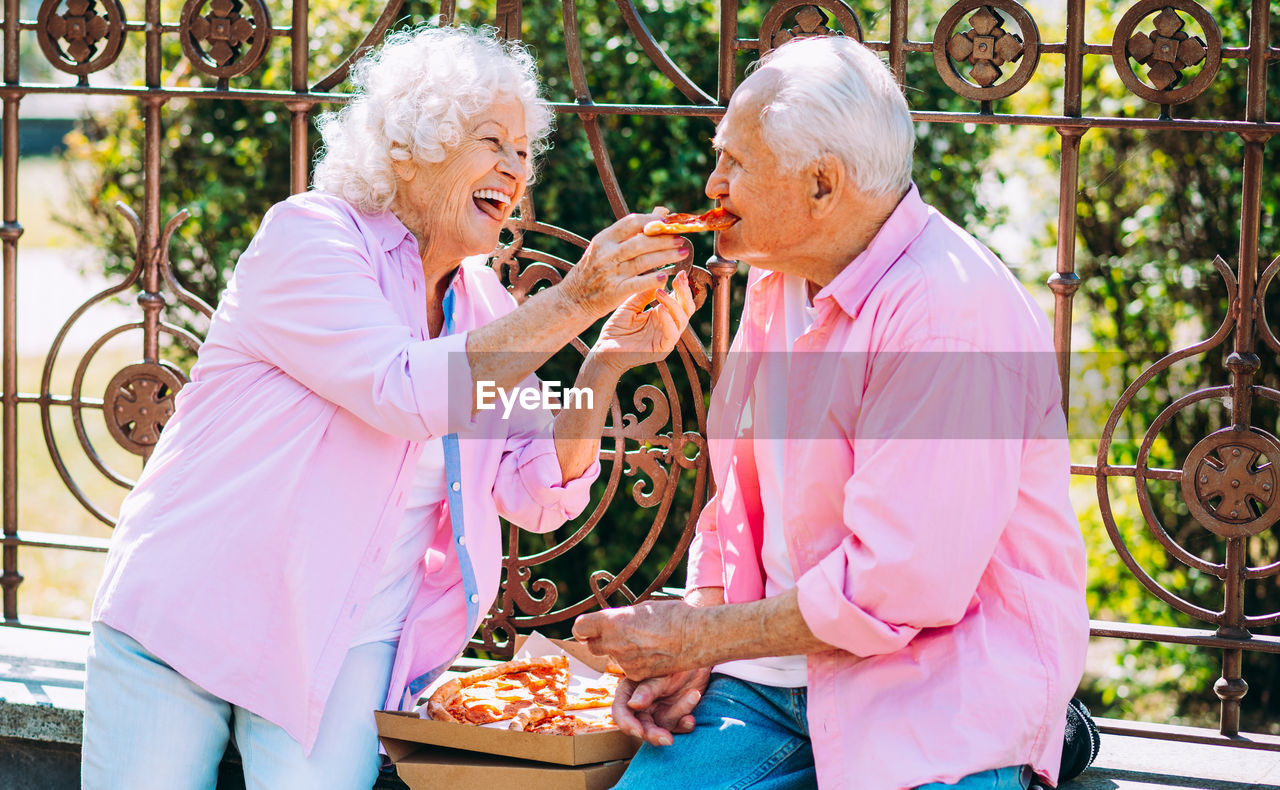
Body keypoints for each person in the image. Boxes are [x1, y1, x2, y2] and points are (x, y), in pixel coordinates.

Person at [80, 24, 695, 790]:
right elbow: (403, 389)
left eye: (522, 149)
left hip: (343, 645)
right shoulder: (308, 238)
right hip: (187, 619)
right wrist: (576, 297)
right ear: (413, 144)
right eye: (489, 139)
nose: (514, 165)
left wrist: (604, 361)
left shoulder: (481, 307)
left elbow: (536, 487)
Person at [572, 35, 1089, 790]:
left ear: (822, 186)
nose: (712, 183)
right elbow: (737, 501)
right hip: (763, 680)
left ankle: (1052, 737)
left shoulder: (947, 314)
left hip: (934, 696)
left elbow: (899, 583)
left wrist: (698, 633)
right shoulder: (780, 275)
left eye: (736, 164)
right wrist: (697, 648)